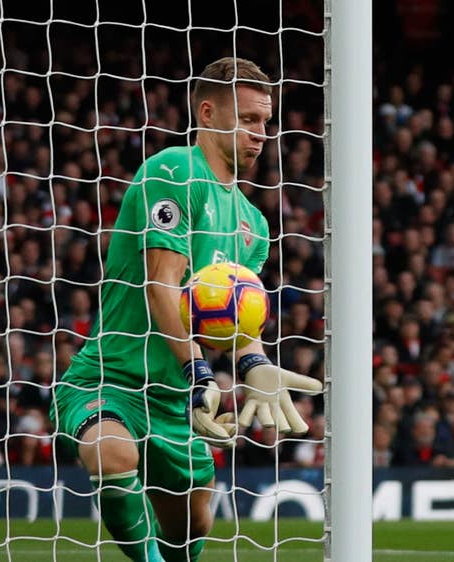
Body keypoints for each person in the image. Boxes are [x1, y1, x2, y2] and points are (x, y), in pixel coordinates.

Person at [50, 57, 322, 562]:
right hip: (113, 379)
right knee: (113, 454)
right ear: (208, 113)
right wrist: (198, 370)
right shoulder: (173, 170)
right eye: (247, 119)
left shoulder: (254, 226)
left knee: (193, 526)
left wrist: (253, 364)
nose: (261, 134)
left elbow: (238, 319)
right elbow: (161, 283)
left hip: (179, 401)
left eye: (266, 122)